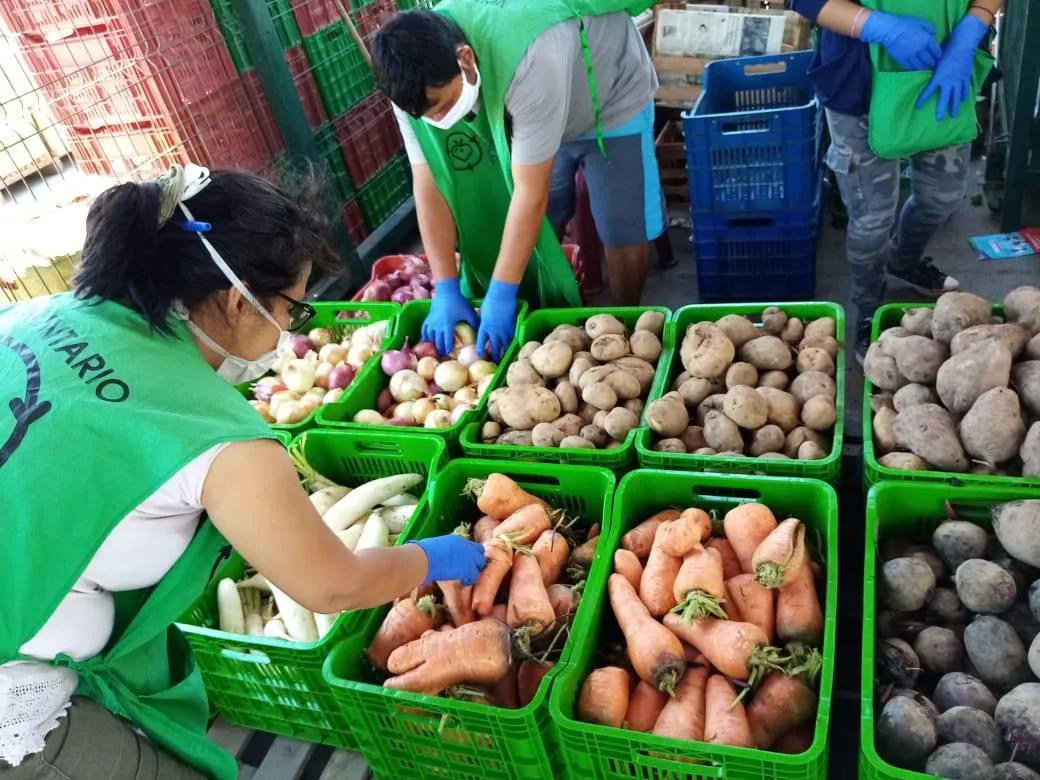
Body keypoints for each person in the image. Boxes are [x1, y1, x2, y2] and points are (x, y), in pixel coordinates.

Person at [0, 164, 486, 780]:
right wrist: (431, 558)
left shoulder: (31, 314)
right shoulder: (222, 439)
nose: (292, 330)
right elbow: (332, 587)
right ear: (238, 299)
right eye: (294, 310)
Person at [371, 0, 663, 361]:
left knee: (621, 226)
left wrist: (500, 293)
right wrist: (445, 285)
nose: (439, 122)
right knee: (542, 223)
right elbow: (428, 184)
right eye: (427, 116)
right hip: (535, 110)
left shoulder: (529, 60)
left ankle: (627, 324)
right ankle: (548, 320)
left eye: (443, 107)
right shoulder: (409, 89)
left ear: (466, 60)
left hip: (609, 95)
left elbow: (529, 193)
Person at [791, 0, 1001, 359]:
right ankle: (869, 306)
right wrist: (877, 27)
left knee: (942, 198)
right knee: (872, 220)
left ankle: (903, 261)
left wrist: (974, 25)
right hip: (858, 79)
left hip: (946, 66)